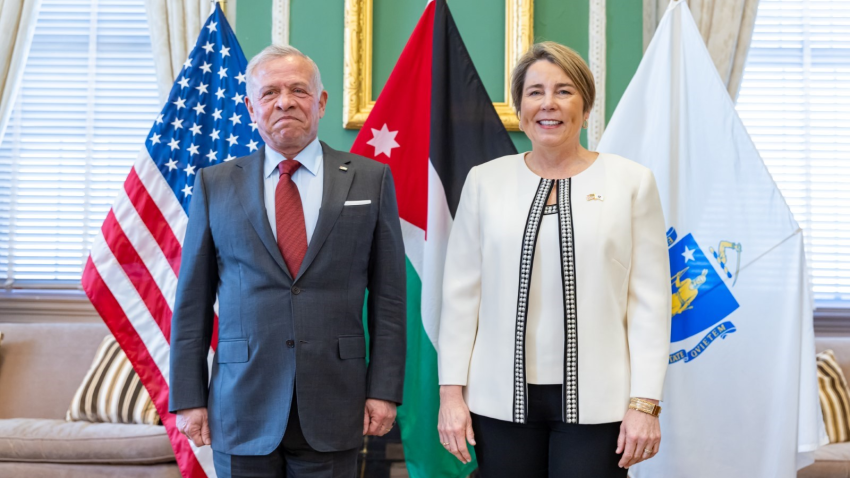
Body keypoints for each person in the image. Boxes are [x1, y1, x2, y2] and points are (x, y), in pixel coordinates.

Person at [168, 45, 406, 478]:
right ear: (250, 107)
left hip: (336, 401)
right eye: (270, 92)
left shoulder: (371, 178)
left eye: (298, 89)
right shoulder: (214, 184)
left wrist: (385, 391)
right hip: (242, 404)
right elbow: (191, 304)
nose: (285, 101)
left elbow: (390, 299)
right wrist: (188, 397)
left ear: (321, 102)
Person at [437, 41, 671, 477]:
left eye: (564, 91)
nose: (549, 104)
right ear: (520, 107)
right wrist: (451, 395)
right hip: (497, 401)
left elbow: (651, 305)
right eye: (535, 92)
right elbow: (459, 299)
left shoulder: (632, 182)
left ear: (586, 107)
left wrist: (645, 403)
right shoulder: (484, 182)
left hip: (602, 402)